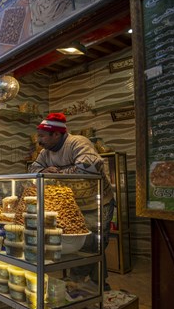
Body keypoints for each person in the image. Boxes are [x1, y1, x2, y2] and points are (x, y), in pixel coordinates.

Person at [29, 112, 115, 290]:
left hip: (98, 202)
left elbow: (89, 168)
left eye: (42, 136)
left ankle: (88, 282)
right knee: (83, 242)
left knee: (95, 241)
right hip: (74, 205)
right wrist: (45, 169)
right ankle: (90, 283)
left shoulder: (78, 142)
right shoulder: (45, 152)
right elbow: (33, 170)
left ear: (56, 134)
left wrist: (57, 172)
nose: (39, 141)